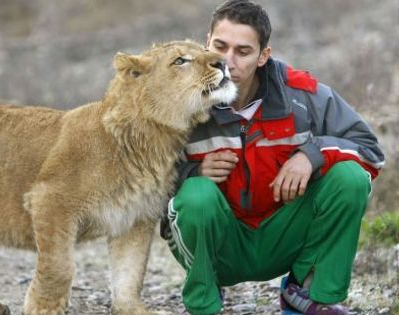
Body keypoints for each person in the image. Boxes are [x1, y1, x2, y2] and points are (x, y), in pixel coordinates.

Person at [160, 1, 385, 314]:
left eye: (243, 51)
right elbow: (141, 181)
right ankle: (205, 301)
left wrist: (313, 154)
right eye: (220, 46)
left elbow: (370, 151)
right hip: (222, 247)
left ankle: (307, 293)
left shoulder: (304, 97)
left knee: (349, 178)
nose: (228, 61)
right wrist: (192, 172)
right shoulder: (176, 102)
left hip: (283, 237)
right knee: (196, 196)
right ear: (206, 42)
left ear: (263, 56)